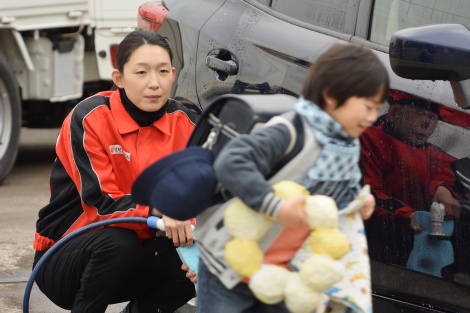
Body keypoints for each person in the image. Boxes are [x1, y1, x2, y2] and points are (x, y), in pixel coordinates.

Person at [194, 44, 390, 313]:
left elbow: (333, 198)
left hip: (284, 269)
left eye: (377, 108)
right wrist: (275, 206)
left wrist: (359, 201)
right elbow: (233, 162)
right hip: (230, 263)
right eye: (368, 106)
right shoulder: (292, 130)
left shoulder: (346, 145)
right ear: (332, 96)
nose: (372, 117)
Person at [32, 29, 198, 313]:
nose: (154, 83)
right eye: (141, 73)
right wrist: (161, 210)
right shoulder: (90, 118)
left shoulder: (186, 123)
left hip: (137, 254)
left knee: (197, 261)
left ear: (173, 74)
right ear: (119, 78)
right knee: (119, 242)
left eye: (162, 72)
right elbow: (102, 206)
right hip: (65, 257)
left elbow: (207, 196)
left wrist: (199, 252)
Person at [360, 90, 462, 267]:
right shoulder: (365, 139)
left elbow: (450, 173)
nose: (426, 124)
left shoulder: (433, 153)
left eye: (432, 118)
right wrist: (408, 215)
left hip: (418, 247)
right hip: (373, 246)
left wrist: (442, 188)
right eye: (421, 114)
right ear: (394, 113)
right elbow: (365, 194)